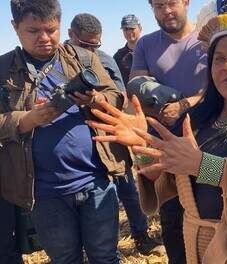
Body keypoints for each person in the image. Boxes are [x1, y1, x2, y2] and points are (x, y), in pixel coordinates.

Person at [87, 0, 227, 263]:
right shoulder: (201, 118)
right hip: (201, 248)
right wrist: (145, 153)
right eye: (218, 59)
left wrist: (202, 164)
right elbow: (179, 178)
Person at [0, 0, 128, 263]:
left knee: (105, 256)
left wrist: (93, 100)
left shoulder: (83, 58)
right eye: (33, 31)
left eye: (51, 30)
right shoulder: (3, 71)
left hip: (96, 182)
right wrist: (27, 119)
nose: (45, 39)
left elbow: (116, 97)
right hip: (45, 194)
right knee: (65, 259)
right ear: (15, 27)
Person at [68, 13, 163, 255]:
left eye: (94, 45)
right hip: (79, 146)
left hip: (112, 135)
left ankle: (141, 235)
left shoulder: (106, 61)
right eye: (84, 45)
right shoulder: (58, 63)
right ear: (71, 35)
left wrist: (98, 100)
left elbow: (121, 97)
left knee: (127, 188)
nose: (90, 51)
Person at [125, 1, 207, 262]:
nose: (166, 11)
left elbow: (218, 90)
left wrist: (183, 104)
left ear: (186, 2)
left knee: (210, 217)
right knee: (173, 223)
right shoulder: (146, 44)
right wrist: (157, 104)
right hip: (165, 155)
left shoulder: (207, 38)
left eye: (171, 3)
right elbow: (137, 87)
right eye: (158, 6)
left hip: (207, 148)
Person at [113, 14, 142, 86]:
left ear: (140, 29)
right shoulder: (118, 56)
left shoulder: (150, 50)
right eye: (125, 29)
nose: (129, 32)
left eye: (132, 28)